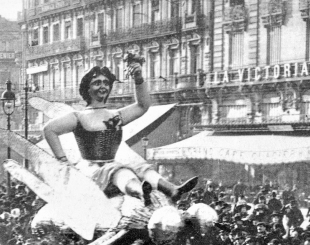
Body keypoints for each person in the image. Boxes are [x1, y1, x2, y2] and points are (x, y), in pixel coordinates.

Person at [42, 57, 197, 205]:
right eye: (96, 83)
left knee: (139, 166)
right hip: (90, 170)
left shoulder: (116, 115)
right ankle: (142, 193)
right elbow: (49, 129)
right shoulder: (78, 117)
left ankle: (172, 190)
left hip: (111, 164)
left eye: (105, 82)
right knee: (120, 171)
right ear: (87, 89)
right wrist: (64, 161)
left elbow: (143, 106)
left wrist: (138, 78)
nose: (102, 86)